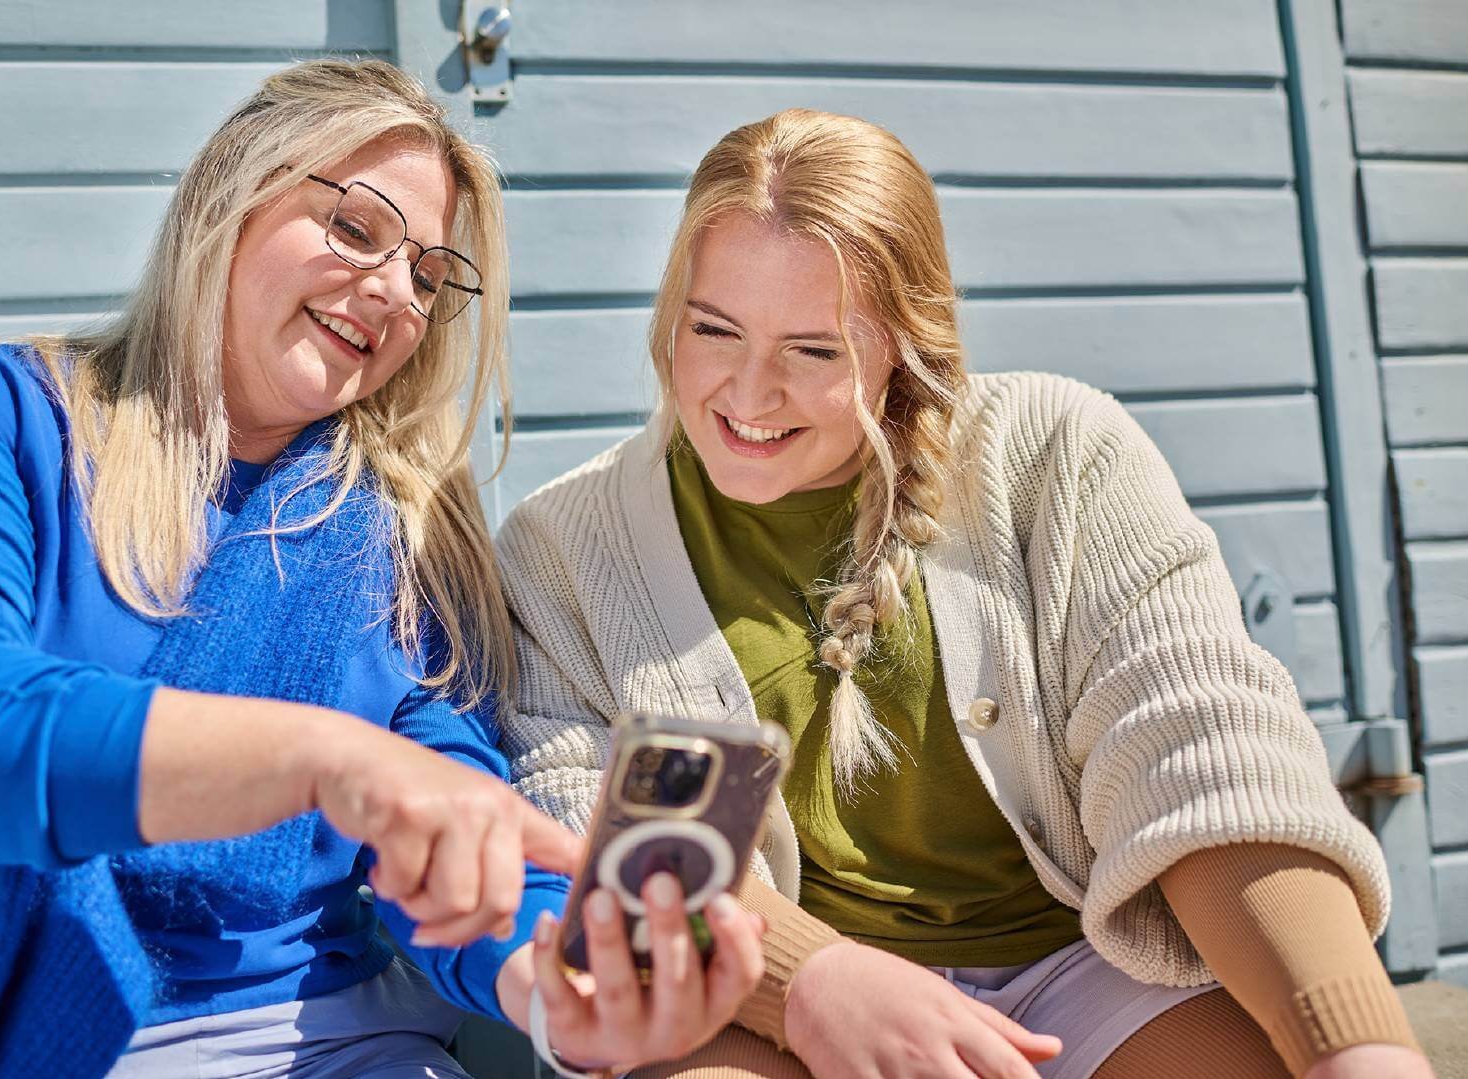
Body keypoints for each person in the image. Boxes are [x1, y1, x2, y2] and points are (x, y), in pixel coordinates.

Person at [0, 60, 761, 1078]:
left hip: (325, 1041)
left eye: (426, 275)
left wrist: (555, 982)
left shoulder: (400, 534)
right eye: (355, 228)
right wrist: (322, 758)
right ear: (228, 196)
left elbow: (454, 819)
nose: (390, 291)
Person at [494, 109, 1433, 1078]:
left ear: (904, 337)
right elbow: (591, 840)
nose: (748, 391)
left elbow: (1197, 746)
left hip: (1083, 970)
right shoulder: (566, 549)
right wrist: (814, 977)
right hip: (763, 996)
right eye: (712, 329)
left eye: (813, 350)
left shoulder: (1058, 455)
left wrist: (1351, 1039)